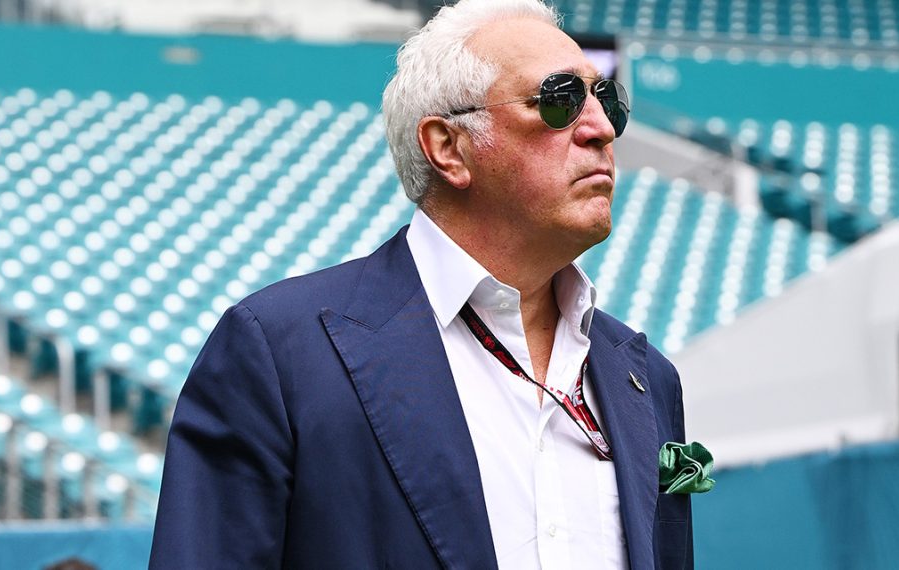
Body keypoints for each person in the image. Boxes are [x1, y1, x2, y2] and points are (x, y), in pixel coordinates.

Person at [148, 0, 692, 568]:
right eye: (560, 99)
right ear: (448, 148)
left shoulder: (648, 378)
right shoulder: (280, 354)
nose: (602, 129)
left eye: (607, 100)